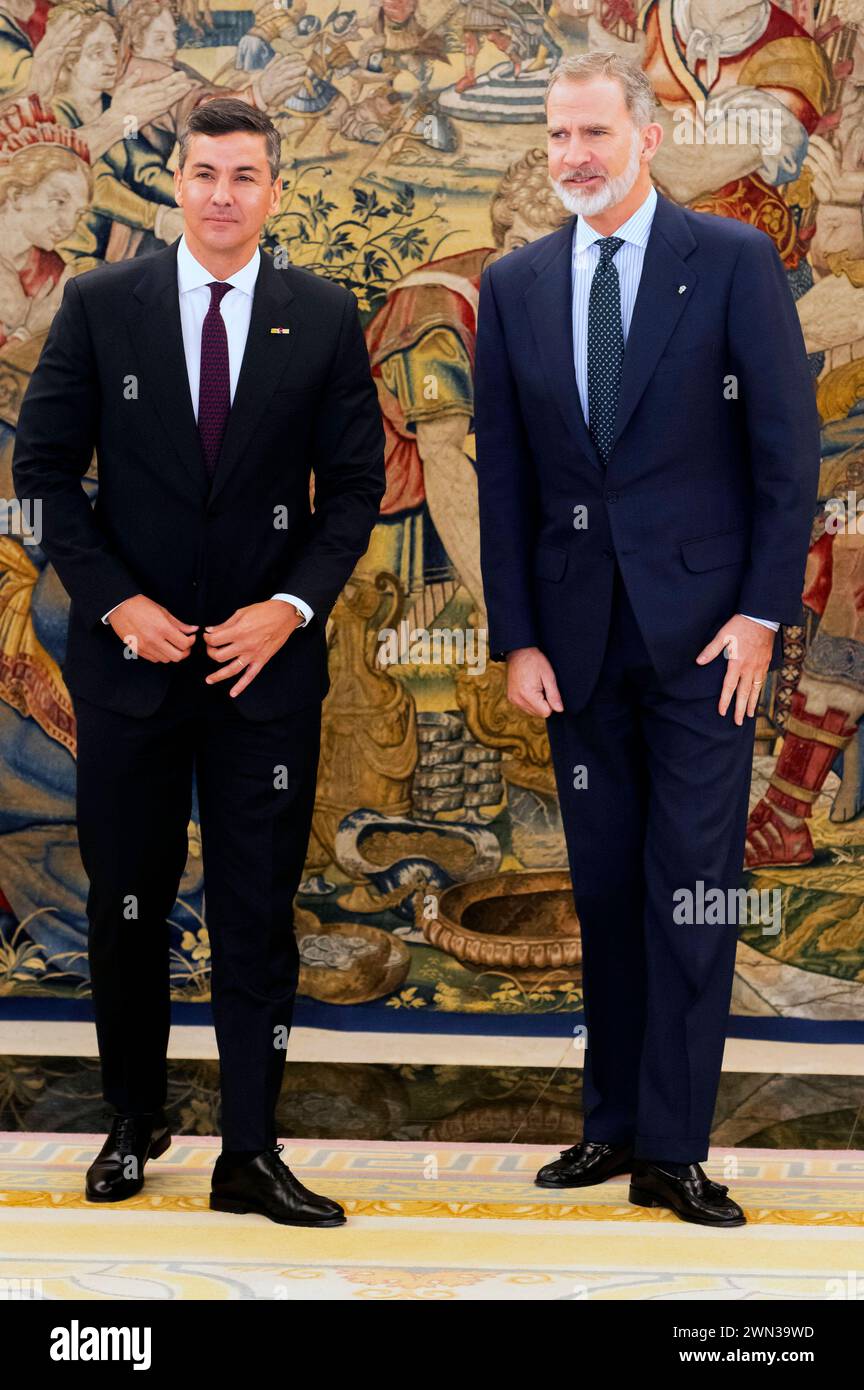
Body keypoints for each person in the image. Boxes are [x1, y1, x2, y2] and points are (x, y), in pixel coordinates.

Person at [12, 95, 386, 1227]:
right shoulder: (100, 304)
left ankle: (253, 1153)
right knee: (126, 902)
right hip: (131, 668)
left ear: (275, 192)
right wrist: (117, 602)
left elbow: (357, 489)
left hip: (263, 674)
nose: (223, 194)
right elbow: (43, 470)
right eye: (205, 172)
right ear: (179, 181)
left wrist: (287, 606)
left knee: (257, 911)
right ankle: (134, 1119)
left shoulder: (321, 314)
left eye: (246, 176)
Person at [473, 51, 820, 1227]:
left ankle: (676, 1147)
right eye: (557, 137)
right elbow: (507, 478)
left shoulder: (728, 262)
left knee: (692, 892)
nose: (571, 156)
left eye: (592, 135)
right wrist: (516, 636)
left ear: (649, 134)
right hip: (573, 650)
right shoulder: (513, 285)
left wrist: (760, 618)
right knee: (606, 889)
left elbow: (787, 460)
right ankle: (610, 1123)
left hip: (705, 648)